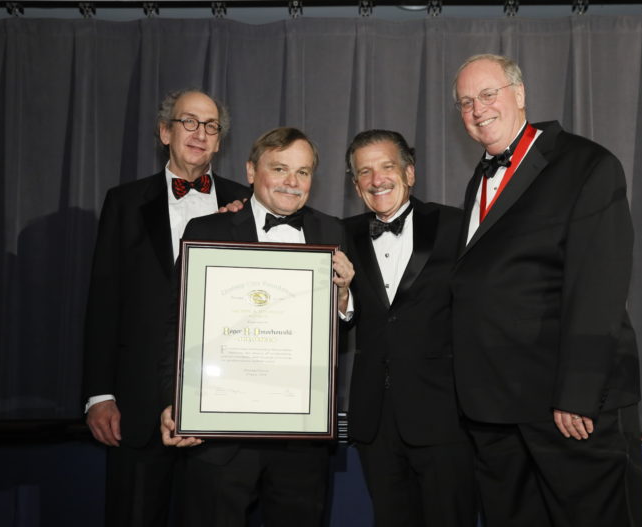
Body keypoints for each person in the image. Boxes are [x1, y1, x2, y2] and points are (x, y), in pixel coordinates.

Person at [450, 53, 642, 527]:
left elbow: (599, 288)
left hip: (565, 408)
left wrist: (578, 393)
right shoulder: (480, 176)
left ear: (519, 94)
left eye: (488, 94)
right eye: (465, 102)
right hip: (495, 409)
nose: (478, 109)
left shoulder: (586, 164)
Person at [159, 126, 354, 527]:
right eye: (279, 168)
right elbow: (175, 326)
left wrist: (343, 300)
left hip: (301, 440)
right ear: (251, 171)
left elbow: (342, 335)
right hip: (219, 437)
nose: (291, 181)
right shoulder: (208, 231)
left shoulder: (332, 232)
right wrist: (172, 400)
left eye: (303, 172)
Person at [82, 89, 250, 526]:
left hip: (220, 407)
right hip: (136, 406)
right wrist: (100, 395)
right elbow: (104, 301)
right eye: (188, 122)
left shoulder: (246, 203)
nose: (200, 133)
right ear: (164, 132)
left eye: (210, 126)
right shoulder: (124, 202)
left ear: (220, 140)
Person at [343, 130, 476, 526]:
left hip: (444, 415)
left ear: (410, 172)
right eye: (364, 172)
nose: (376, 180)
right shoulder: (339, 233)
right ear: (355, 184)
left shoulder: (457, 225)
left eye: (387, 167)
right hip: (374, 418)